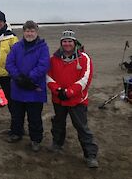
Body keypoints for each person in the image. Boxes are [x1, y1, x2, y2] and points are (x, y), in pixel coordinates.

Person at [47, 29, 99, 168]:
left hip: (77, 100)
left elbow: (85, 79)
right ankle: (57, 143)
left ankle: (90, 155)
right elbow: (48, 76)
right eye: (64, 41)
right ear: (61, 43)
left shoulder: (84, 58)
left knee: (81, 127)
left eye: (70, 41)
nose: (67, 44)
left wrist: (69, 92)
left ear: (74, 42)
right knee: (58, 123)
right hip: (59, 99)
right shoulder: (53, 58)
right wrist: (57, 90)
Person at [5, 21, 50, 151]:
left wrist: (29, 78)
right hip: (18, 87)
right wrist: (18, 77)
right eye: (27, 31)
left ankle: (36, 140)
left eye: (32, 31)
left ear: (36, 32)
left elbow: (43, 65)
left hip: (34, 88)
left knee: (34, 117)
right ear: (23, 32)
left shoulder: (43, 47)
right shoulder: (16, 46)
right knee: (17, 114)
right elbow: (9, 63)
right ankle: (16, 133)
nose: (29, 33)